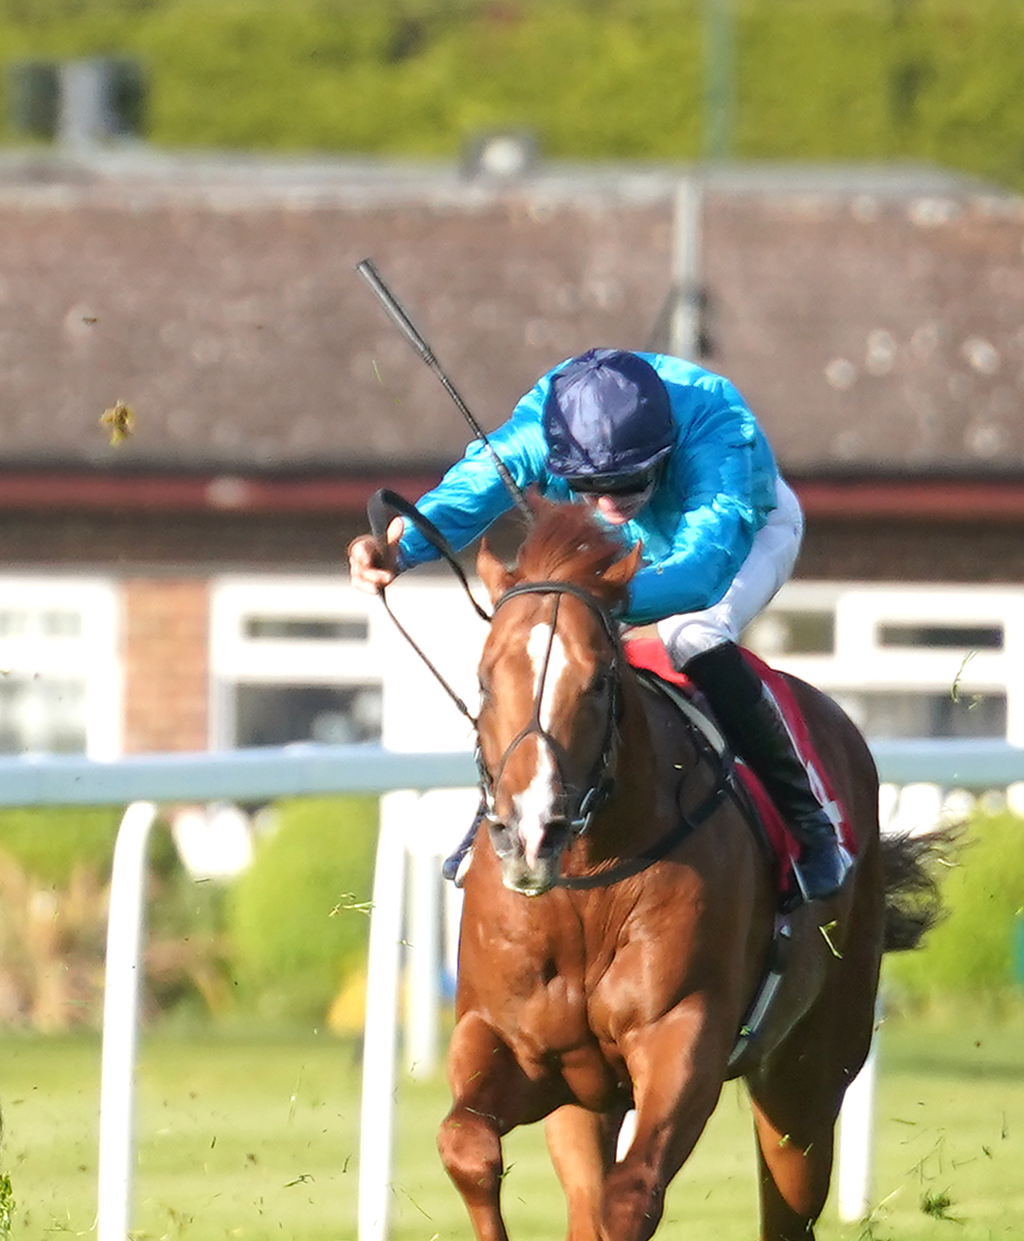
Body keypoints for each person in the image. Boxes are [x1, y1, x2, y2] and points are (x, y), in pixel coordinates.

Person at [347, 345, 851, 904]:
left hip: (746, 536)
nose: (610, 503)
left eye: (630, 483)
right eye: (590, 488)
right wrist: (401, 548)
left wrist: (591, 599)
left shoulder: (718, 426)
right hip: (614, 559)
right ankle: (506, 813)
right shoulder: (544, 426)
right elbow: (473, 489)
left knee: (691, 636)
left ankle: (809, 818)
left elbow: (704, 568)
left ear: (663, 451)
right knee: (545, 652)